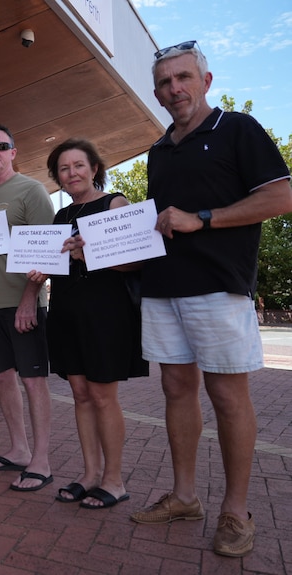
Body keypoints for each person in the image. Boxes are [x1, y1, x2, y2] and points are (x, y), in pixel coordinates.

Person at [128, 41, 292, 557]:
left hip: (218, 288)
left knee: (227, 397)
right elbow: (158, 223)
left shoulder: (236, 129)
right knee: (176, 390)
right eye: (164, 82)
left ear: (205, 79)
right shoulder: (158, 149)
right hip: (162, 288)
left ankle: (236, 512)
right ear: (156, 93)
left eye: (182, 77)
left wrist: (202, 219)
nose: (174, 88)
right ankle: (184, 497)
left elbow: (282, 195)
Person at [29, 139, 148, 508]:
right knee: (79, 394)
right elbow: (54, 263)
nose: (72, 174)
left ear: (94, 168)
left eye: (78, 165)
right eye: (64, 169)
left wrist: (87, 253)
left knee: (101, 395)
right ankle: (89, 473)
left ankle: (114, 480)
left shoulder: (115, 204)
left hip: (105, 312)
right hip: (67, 310)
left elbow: (136, 260)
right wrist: (38, 267)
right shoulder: (60, 217)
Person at [0, 124, 55, 491]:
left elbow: (47, 250)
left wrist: (28, 301)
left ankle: (42, 460)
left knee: (33, 382)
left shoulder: (31, 191)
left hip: (23, 305)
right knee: (2, 379)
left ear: (13, 152)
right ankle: (19, 450)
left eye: (1, 146)